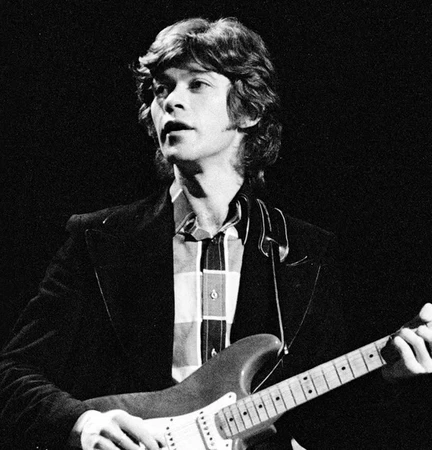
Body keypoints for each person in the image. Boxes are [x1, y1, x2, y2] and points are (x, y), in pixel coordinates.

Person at [0, 17, 431, 450]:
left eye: (197, 84)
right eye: (161, 89)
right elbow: (12, 376)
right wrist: (82, 423)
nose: (171, 101)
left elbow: (327, 421)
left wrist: (390, 375)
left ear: (249, 110)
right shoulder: (99, 240)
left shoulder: (305, 253)